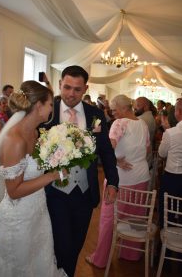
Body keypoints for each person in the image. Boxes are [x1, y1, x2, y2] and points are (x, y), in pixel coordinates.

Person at [44, 65, 119, 277]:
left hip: (85, 193)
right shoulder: (47, 112)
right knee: (60, 244)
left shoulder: (95, 114)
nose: (71, 94)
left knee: (76, 245)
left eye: (77, 89)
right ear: (60, 85)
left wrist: (113, 182)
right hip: (54, 192)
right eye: (67, 87)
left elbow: (105, 151)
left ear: (85, 88)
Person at [0, 81, 67, 277]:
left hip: (38, 213)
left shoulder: (35, 132)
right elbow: (15, 191)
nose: (52, 108)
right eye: (50, 103)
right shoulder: (14, 141)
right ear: (39, 105)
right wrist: (53, 175)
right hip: (18, 220)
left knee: (40, 264)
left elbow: (33, 167)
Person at [85, 94, 150, 268]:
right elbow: (148, 149)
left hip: (121, 179)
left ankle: (100, 259)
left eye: (114, 110)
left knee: (108, 219)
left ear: (123, 108)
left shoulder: (119, 123)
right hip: (142, 176)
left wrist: (116, 160)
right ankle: (130, 254)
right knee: (134, 218)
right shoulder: (142, 123)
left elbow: (107, 148)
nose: (113, 114)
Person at [158, 97, 182, 228]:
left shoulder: (171, 133)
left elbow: (161, 153)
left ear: (178, 112)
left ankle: (166, 244)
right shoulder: (171, 132)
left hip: (173, 177)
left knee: (167, 212)